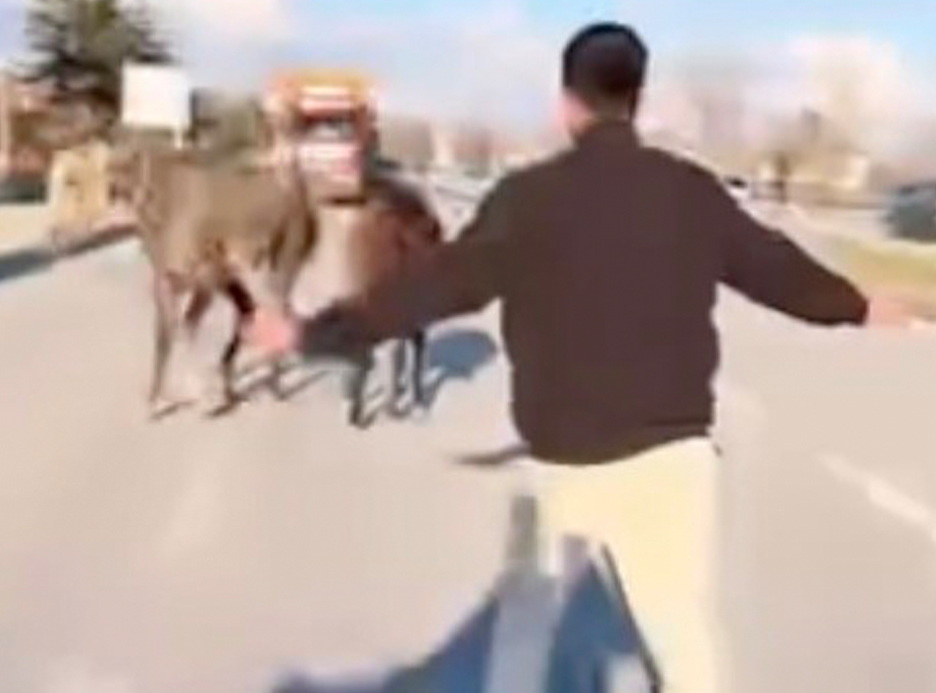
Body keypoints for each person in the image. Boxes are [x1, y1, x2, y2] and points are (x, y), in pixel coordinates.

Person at [245, 22, 917, 693]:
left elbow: (434, 288)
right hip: (672, 459)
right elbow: (779, 270)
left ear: (567, 103)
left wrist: (311, 333)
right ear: (638, 99)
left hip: (565, 464)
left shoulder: (527, 199)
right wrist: (860, 306)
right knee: (681, 627)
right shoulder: (690, 192)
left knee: (526, 629)